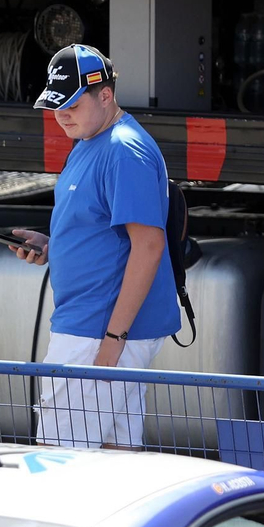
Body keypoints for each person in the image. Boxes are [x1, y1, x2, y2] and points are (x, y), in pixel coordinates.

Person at [11, 44, 181, 449]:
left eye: (71, 104)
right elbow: (108, 233)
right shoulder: (92, 140)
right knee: (114, 463)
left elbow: (149, 245)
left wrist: (111, 345)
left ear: (105, 95)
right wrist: (53, 247)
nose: (62, 115)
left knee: (60, 464)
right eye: (55, 105)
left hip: (95, 332)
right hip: (96, 328)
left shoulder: (123, 150)